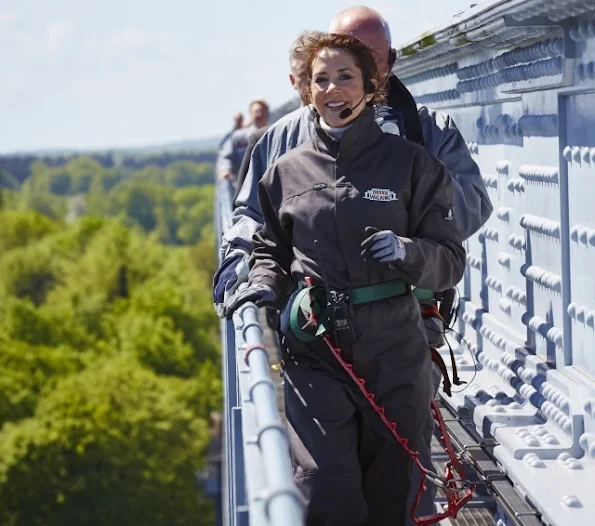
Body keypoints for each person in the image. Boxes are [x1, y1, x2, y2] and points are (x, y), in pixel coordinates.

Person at [213, 6, 492, 518]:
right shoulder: (283, 148)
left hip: (404, 324)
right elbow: (257, 225)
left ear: (382, 66)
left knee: (397, 480)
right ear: (307, 76)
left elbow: (461, 219)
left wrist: (407, 234)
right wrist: (247, 278)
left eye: (360, 66)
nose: (338, 84)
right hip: (317, 341)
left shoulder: (421, 138)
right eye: (327, 72)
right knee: (326, 484)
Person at [232, 30, 325, 203]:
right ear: (292, 81)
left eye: (320, 74)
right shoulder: (265, 141)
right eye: (304, 75)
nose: (312, 83)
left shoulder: (359, 133)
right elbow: (245, 214)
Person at [216, 99, 269, 184]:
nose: (259, 114)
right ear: (250, 114)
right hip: (243, 183)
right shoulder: (239, 136)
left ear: (267, 113)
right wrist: (225, 169)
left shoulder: (273, 133)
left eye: (262, 111)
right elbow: (226, 155)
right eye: (256, 111)